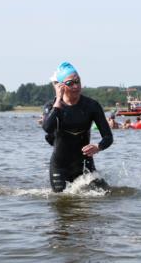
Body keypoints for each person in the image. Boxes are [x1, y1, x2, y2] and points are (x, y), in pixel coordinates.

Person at [42, 62, 113, 192]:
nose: (76, 86)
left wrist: (98, 147)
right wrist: (58, 101)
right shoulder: (51, 106)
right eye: (70, 83)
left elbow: (108, 137)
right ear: (61, 86)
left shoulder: (91, 106)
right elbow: (47, 128)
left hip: (85, 166)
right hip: (60, 167)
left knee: (107, 194)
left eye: (78, 81)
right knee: (62, 204)